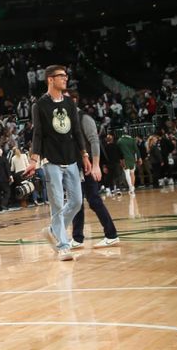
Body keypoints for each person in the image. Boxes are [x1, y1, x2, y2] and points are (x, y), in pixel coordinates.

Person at [23, 66, 89, 261]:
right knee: (57, 205)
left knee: (76, 202)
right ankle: (62, 245)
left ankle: (53, 230)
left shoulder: (69, 102)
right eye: (61, 76)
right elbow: (38, 134)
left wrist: (84, 155)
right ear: (50, 79)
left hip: (71, 160)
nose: (65, 78)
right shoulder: (39, 105)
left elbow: (76, 130)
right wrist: (34, 160)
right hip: (51, 161)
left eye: (66, 75)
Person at [69, 92, 119, 249]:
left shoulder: (84, 118)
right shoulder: (67, 121)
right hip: (74, 164)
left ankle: (111, 235)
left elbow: (94, 141)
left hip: (87, 164)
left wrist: (96, 164)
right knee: (76, 202)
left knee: (93, 200)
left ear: (73, 100)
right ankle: (77, 238)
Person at [117, 129, 138, 195]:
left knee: (127, 173)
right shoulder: (132, 140)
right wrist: (139, 158)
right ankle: (133, 187)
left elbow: (118, 152)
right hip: (132, 159)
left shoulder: (119, 141)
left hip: (124, 159)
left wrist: (120, 160)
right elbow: (136, 150)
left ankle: (131, 188)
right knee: (132, 173)